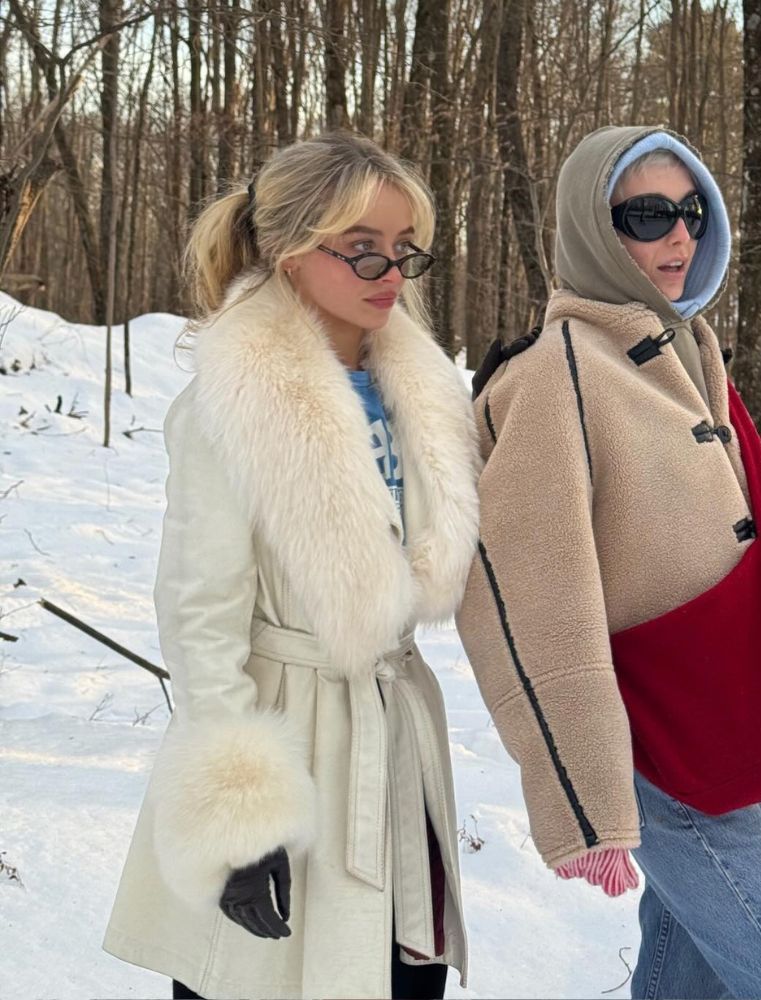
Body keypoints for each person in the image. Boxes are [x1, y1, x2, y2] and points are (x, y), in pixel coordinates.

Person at [456, 125, 761, 1000]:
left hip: (732, 714)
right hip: (655, 741)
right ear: (594, 227)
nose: (678, 236)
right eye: (648, 213)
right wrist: (584, 796)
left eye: (692, 211)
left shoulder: (688, 350)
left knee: (686, 981)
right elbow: (528, 598)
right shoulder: (554, 375)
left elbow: (755, 550)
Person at [103, 131, 481, 1000]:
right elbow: (201, 616)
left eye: (401, 251)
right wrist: (241, 815)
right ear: (287, 250)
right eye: (361, 251)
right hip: (284, 741)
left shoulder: (418, 396)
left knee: (397, 978)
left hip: (391, 743)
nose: (389, 272)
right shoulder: (230, 403)